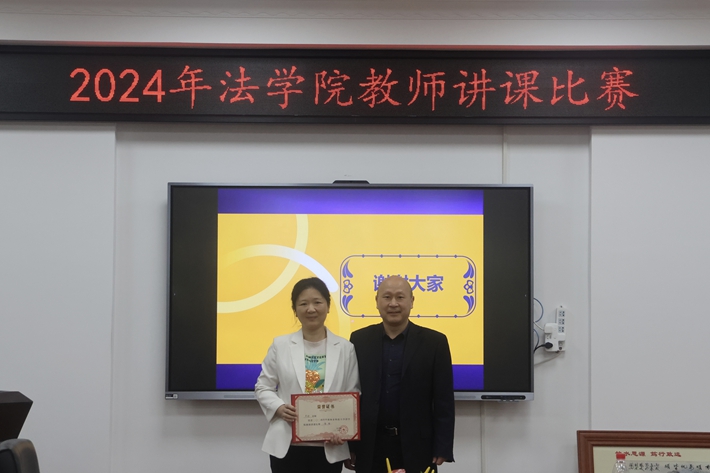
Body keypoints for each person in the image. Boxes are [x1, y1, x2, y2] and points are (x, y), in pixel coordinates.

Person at [347, 275, 455, 473]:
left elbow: (444, 400)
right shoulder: (359, 340)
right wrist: (350, 445)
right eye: (387, 297)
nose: (393, 303)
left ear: (412, 301)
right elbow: (352, 395)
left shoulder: (435, 342)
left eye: (400, 297)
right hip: (370, 446)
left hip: (418, 446)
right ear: (377, 302)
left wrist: (443, 446)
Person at [255, 276, 360, 473]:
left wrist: (344, 429)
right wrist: (279, 407)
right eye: (303, 304)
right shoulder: (280, 345)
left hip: (330, 446)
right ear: (295, 309)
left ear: (328, 306)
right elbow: (263, 387)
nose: (311, 309)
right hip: (287, 445)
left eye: (317, 302)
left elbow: (352, 393)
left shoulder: (346, 348)